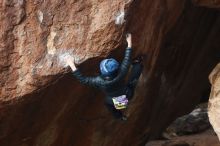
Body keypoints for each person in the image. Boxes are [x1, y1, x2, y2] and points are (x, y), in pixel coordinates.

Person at [66, 33, 143, 121]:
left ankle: (120, 117)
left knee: (109, 104)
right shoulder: (122, 71)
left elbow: (83, 80)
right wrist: (129, 42)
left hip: (118, 99)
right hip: (128, 93)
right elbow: (127, 59)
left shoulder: (99, 81)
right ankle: (138, 63)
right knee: (133, 79)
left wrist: (72, 64)